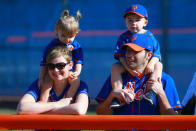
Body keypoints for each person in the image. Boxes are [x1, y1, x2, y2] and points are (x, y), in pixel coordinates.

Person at [96, 34, 181, 115]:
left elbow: (174, 121)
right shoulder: (116, 78)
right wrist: (112, 95)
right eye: (128, 51)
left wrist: (161, 93)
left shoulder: (164, 80)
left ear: (148, 55)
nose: (129, 55)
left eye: (134, 52)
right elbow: (100, 113)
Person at [111, 4, 162, 107]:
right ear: (125, 22)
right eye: (130, 20)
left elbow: (156, 54)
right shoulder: (123, 37)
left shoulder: (149, 36)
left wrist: (151, 64)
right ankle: (118, 96)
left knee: (159, 65)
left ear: (145, 22)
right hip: (129, 65)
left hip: (146, 66)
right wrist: (128, 68)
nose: (133, 23)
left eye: (137, 20)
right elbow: (120, 56)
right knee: (115, 67)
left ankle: (151, 92)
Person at [17, 46, 88, 115]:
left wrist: (40, 110)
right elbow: (22, 108)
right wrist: (58, 104)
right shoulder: (40, 83)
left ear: (70, 65)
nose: (56, 70)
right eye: (51, 66)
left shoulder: (80, 85)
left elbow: (79, 109)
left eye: (60, 65)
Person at [39, 10, 83, 102]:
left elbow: (79, 61)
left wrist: (77, 72)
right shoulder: (52, 45)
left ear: (76, 33)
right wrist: (41, 78)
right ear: (57, 32)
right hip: (53, 72)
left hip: (68, 72)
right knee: (47, 81)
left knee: (76, 80)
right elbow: (44, 64)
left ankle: (67, 101)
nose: (67, 39)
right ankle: (43, 102)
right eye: (63, 36)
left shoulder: (77, 46)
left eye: (70, 36)